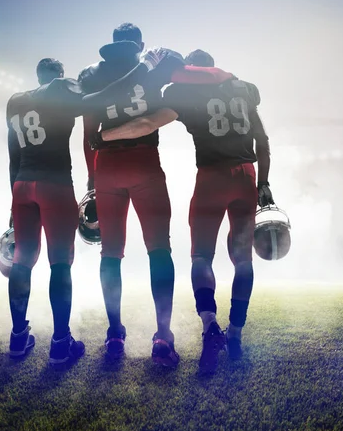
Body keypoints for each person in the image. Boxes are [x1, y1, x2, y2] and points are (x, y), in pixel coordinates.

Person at [96, 49, 275, 374]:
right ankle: (235, 333)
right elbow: (262, 142)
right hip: (246, 175)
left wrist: (107, 134)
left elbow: (147, 123)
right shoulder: (245, 88)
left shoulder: (186, 94)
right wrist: (263, 182)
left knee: (201, 258)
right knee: (243, 259)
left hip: (210, 179)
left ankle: (210, 325)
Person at [79, 24, 233, 367]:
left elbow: (89, 132)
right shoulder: (157, 62)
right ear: (141, 45)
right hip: (145, 163)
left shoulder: (92, 73)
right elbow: (199, 77)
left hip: (106, 167)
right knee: (159, 250)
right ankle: (163, 335)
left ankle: (115, 333)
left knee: (111, 253)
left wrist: (92, 180)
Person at [6, 58, 85, 366]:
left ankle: (17, 337)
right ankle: (61, 343)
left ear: (37, 76)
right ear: (59, 78)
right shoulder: (62, 91)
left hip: (23, 185)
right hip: (55, 184)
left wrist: (14, 197)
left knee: (22, 261)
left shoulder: (15, 100)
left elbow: (13, 153)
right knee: (60, 263)